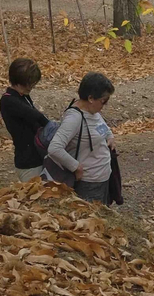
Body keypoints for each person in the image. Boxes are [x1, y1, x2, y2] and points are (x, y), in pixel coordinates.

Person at [48, 72, 117, 204]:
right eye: (103, 101)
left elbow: (100, 125)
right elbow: (55, 148)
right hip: (88, 184)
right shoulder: (74, 118)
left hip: (103, 178)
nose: (105, 105)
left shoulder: (93, 111)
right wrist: (76, 167)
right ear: (91, 98)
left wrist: (109, 136)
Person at [0, 58, 48, 181]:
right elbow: (36, 116)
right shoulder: (8, 100)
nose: (31, 87)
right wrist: (52, 127)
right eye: (28, 83)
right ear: (18, 81)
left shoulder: (23, 97)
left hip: (38, 155)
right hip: (28, 162)